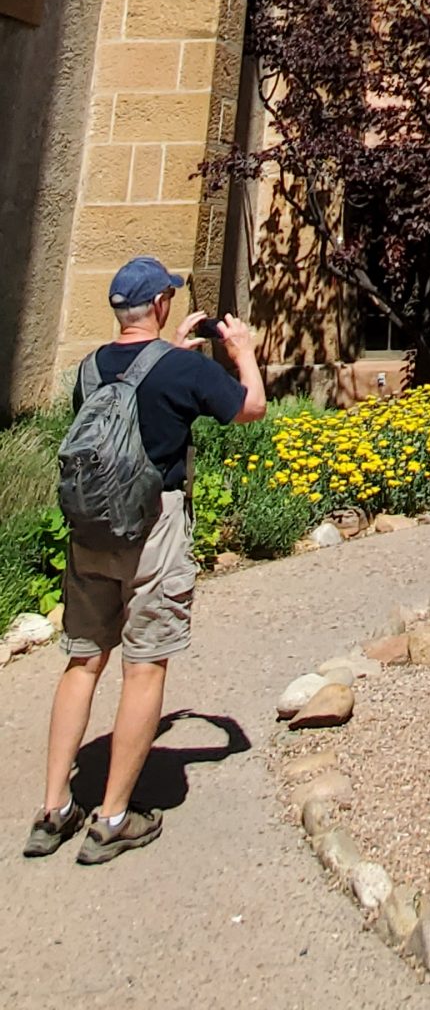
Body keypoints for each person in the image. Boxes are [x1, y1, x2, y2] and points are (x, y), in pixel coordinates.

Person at [24, 257, 267, 864]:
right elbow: (250, 408)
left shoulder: (87, 369)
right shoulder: (182, 369)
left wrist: (174, 352)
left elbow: (129, 397)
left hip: (91, 531)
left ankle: (54, 809)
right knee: (144, 666)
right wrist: (242, 350)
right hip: (151, 527)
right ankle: (112, 818)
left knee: (83, 661)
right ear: (160, 305)